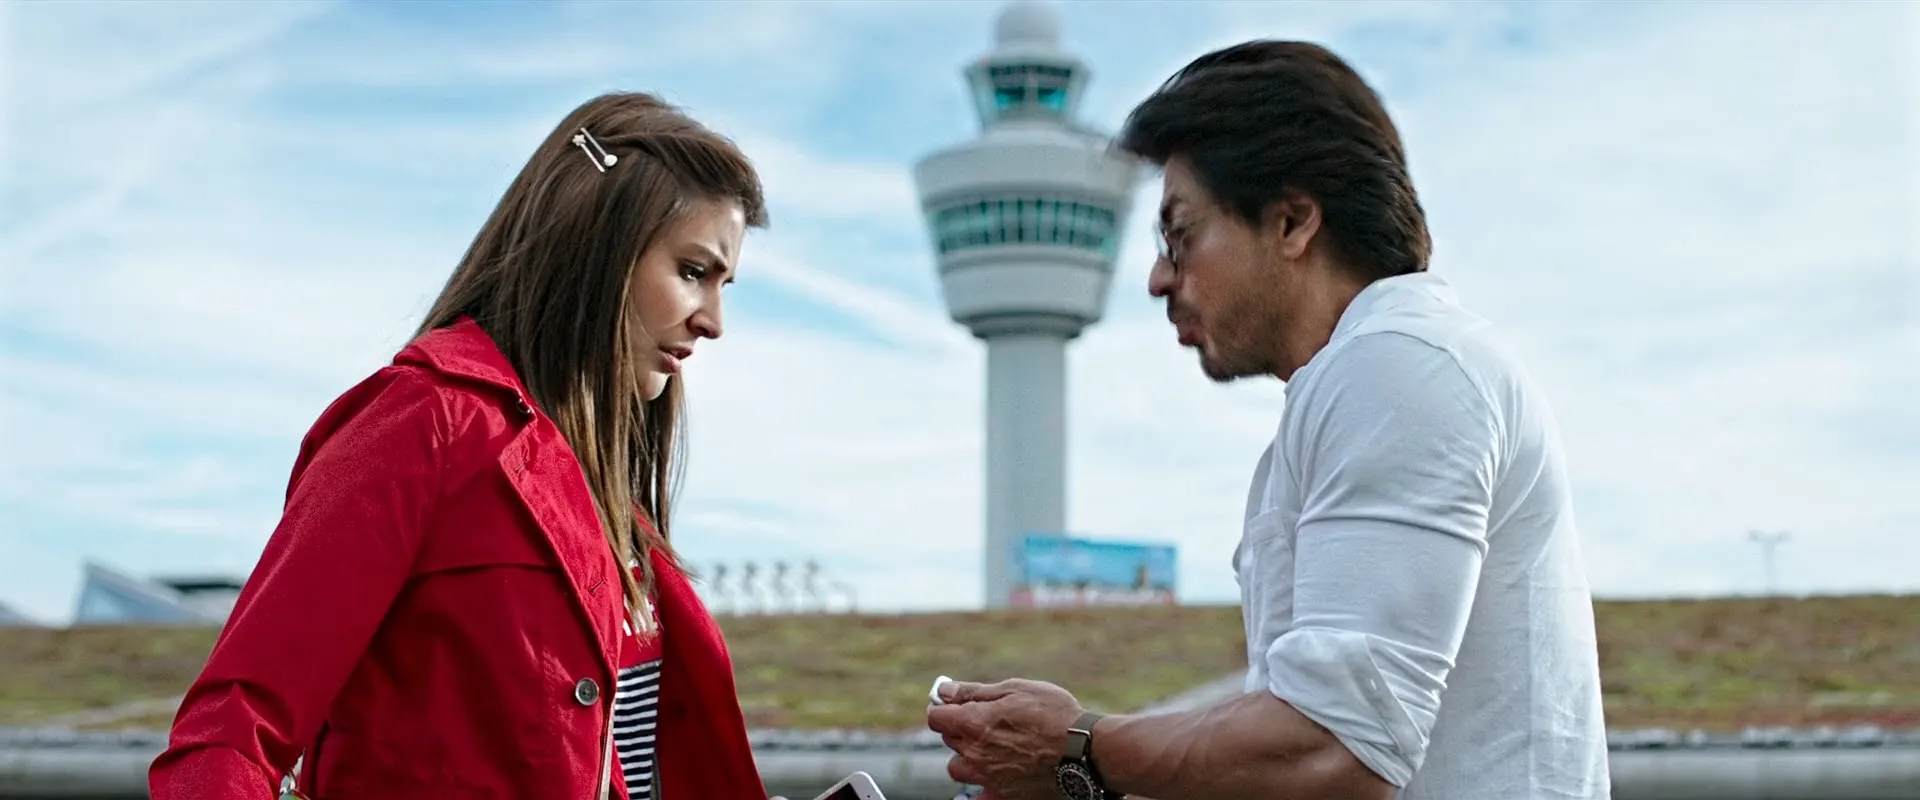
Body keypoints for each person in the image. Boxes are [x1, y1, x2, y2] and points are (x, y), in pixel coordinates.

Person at [927, 40, 1611, 800]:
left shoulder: (1398, 366)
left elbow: (1334, 750)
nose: (1157, 278)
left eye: (1180, 236)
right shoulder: (1376, 377)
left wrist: (1079, 747)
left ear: (1291, 222)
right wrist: (1082, 771)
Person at [150, 92, 779, 800]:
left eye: (723, 284)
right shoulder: (421, 422)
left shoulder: (610, 501)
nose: (713, 321)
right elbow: (228, 736)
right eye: (693, 272)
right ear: (599, 248)